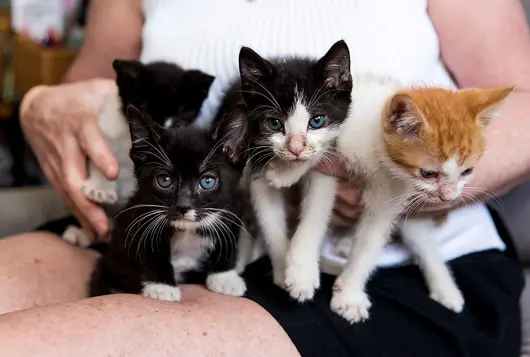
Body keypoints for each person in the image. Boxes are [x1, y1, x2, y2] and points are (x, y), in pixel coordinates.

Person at [1, 0, 530, 355]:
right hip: (176, 221)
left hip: (387, 271)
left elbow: (523, 101)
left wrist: (416, 185)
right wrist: (43, 104)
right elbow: (91, 83)